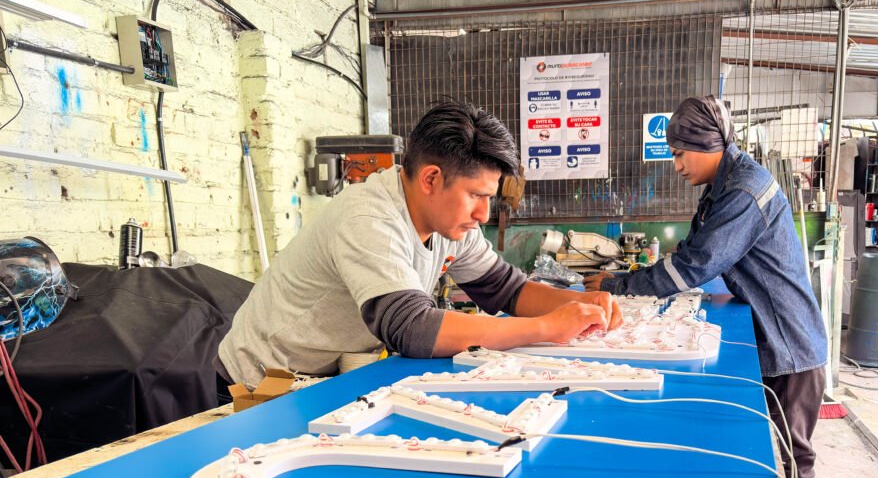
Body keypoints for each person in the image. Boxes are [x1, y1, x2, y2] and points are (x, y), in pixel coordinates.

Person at [218, 100, 621, 389]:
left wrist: (579, 307)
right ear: (430, 179)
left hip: (320, 374)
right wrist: (547, 327)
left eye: (489, 198)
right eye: (476, 196)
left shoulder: (451, 224)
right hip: (258, 382)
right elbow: (412, 329)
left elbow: (505, 289)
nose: (483, 214)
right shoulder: (369, 218)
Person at [584, 95, 828, 478]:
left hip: (790, 346)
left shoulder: (744, 191)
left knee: (791, 456)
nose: (676, 165)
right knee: (769, 449)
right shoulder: (722, 188)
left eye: (680, 153)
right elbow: (690, 253)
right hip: (773, 339)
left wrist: (619, 287)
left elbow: (693, 266)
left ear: (707, 144)